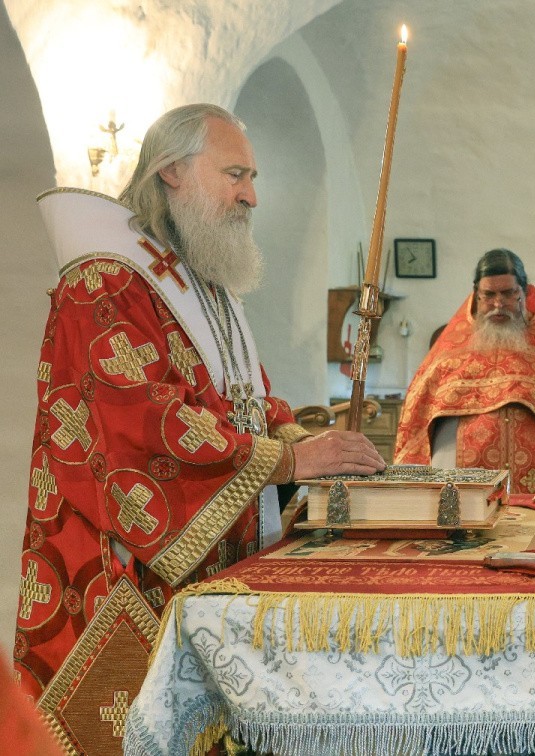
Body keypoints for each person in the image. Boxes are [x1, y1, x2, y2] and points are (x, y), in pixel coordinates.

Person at [14, 104, 385, 747]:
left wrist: (307, 443)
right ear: (172, 172)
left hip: (213, 574)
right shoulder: (103, 282)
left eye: (252, 177)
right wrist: (290, 462)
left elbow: (245, 405)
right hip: (124, 575)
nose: (251, 196)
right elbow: (141, 427)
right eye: (235, 174)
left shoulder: (201, 280)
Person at [394, 249, 535, 494]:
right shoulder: (448, 354)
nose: (498, 304)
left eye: (508, 293)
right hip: (463, 486)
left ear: (525, 292)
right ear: (476, 295)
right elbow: (417, 420)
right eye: (489, 295)